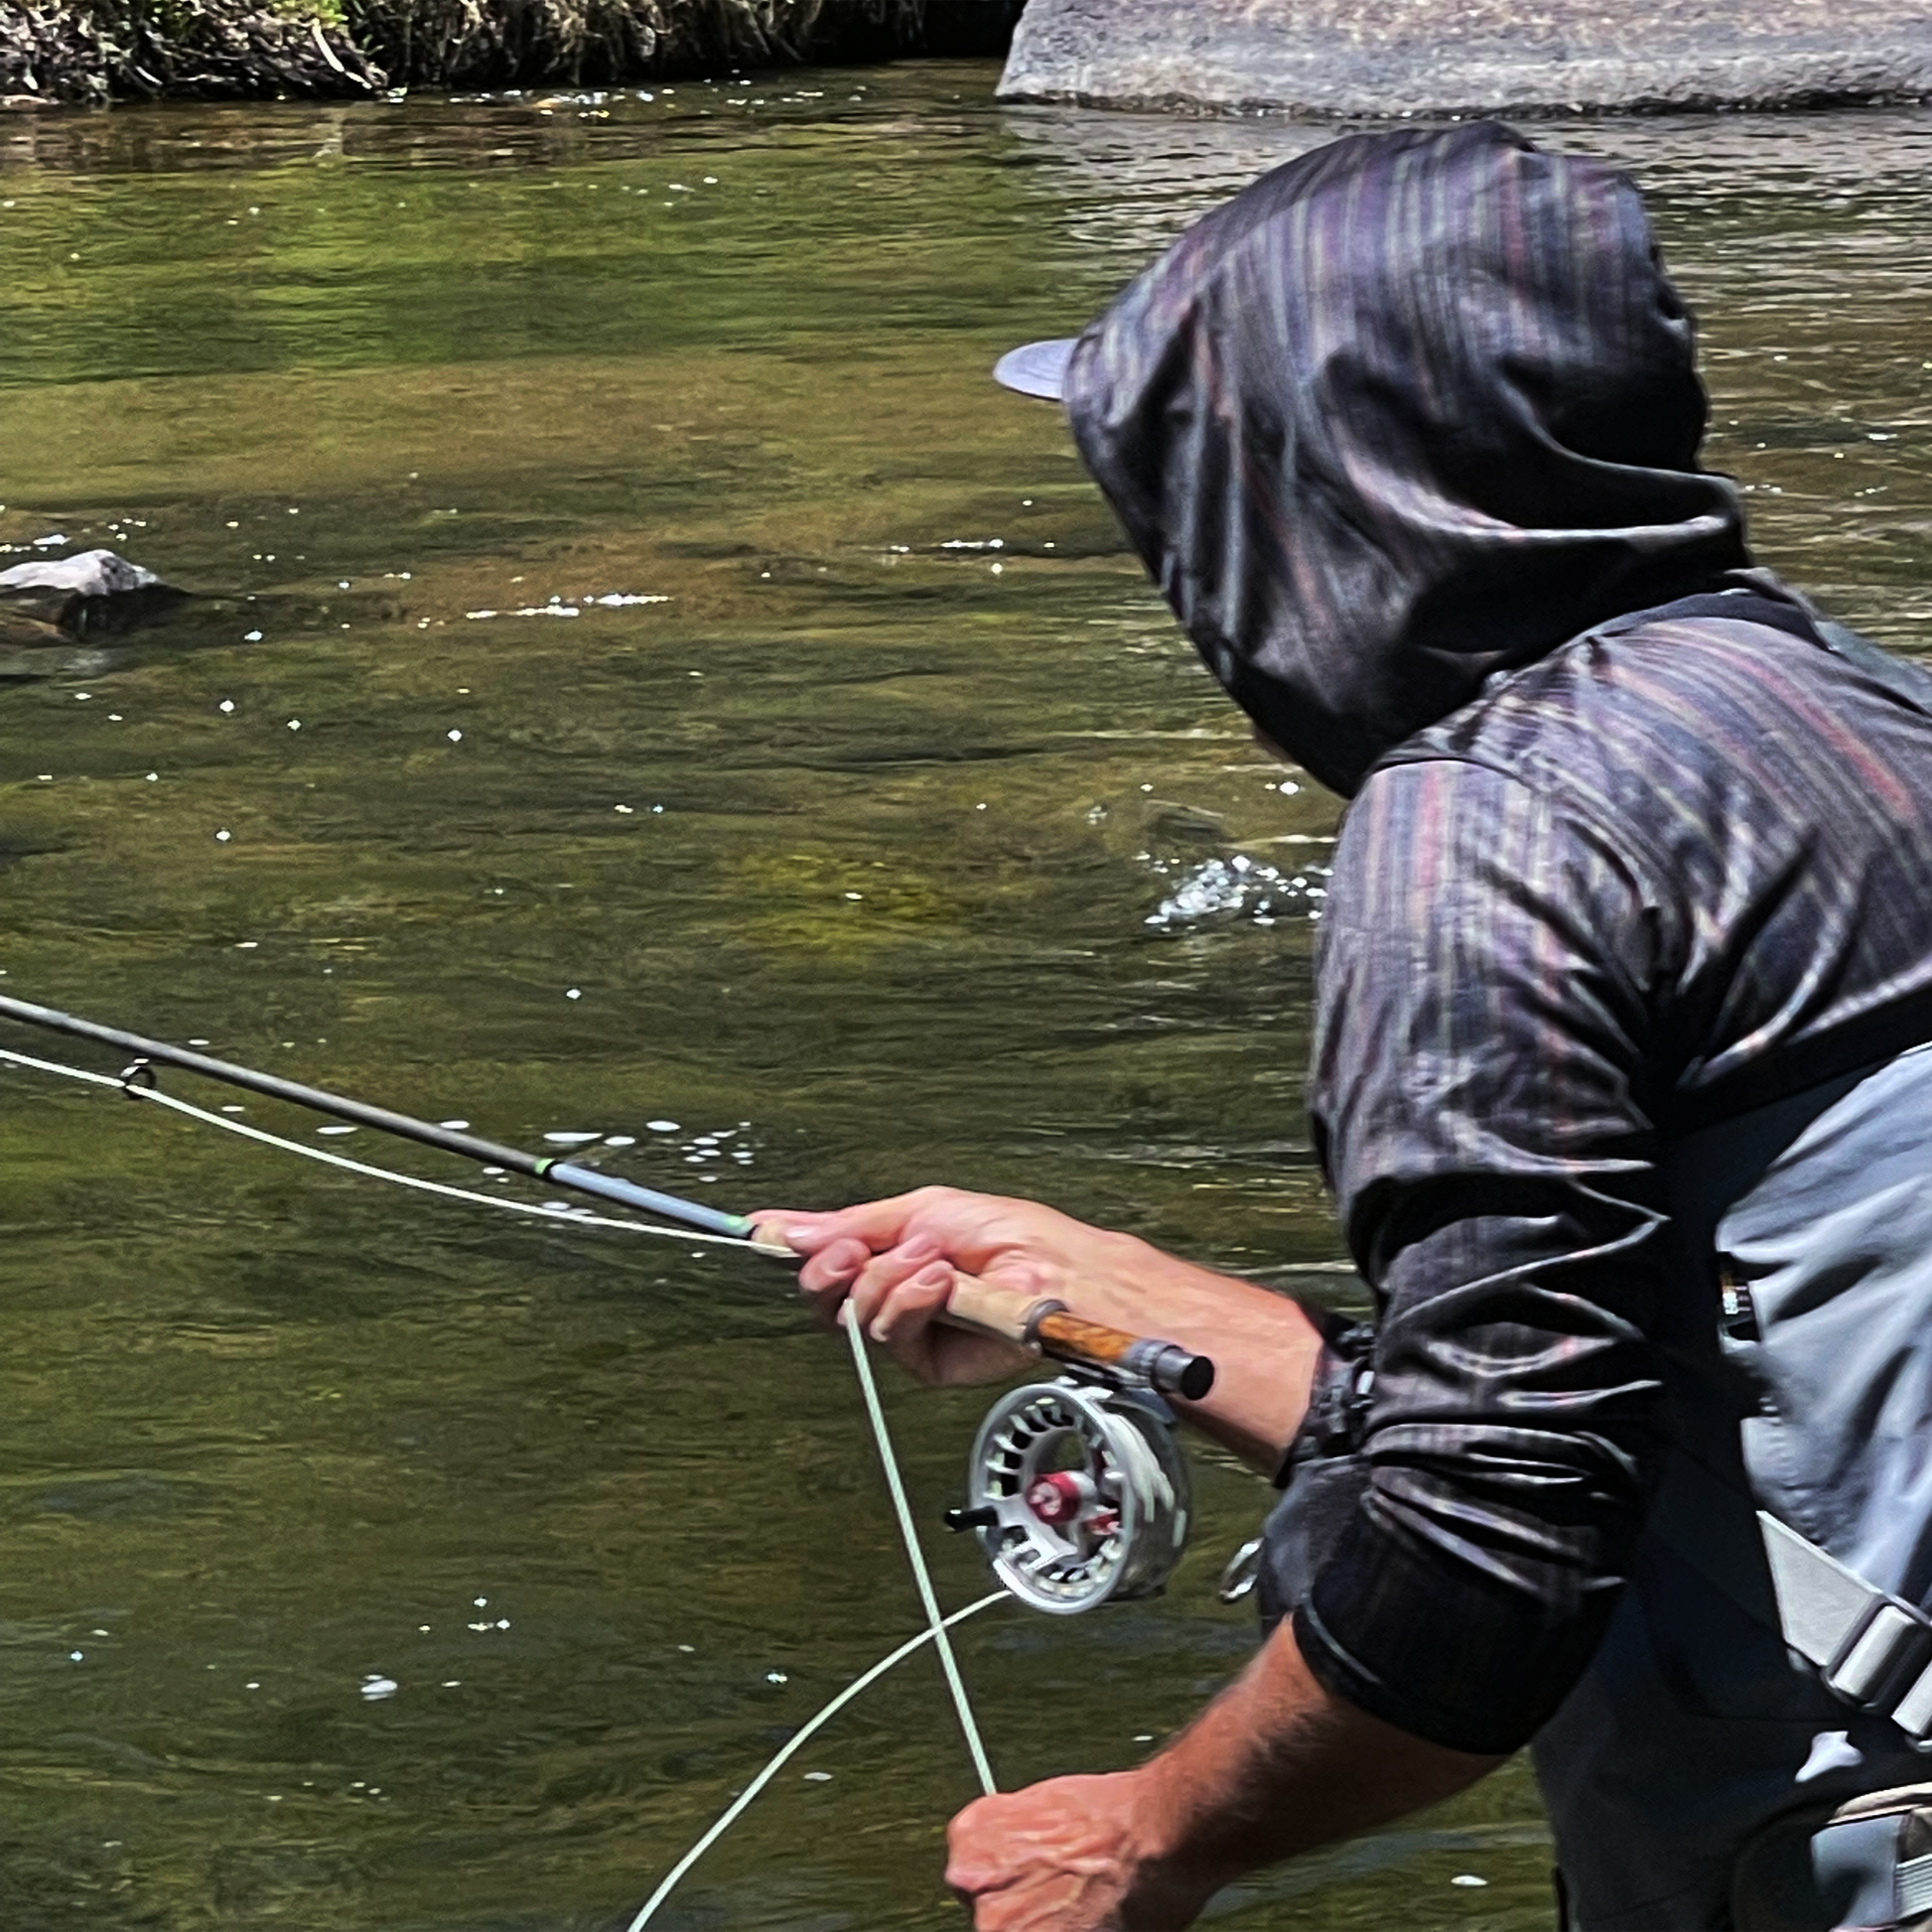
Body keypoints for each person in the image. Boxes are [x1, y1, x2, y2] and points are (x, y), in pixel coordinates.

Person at [761, 121, 1932, 1931]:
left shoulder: (1494, 831)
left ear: (1295, 491)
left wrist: (1148, 1833)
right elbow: (1673, 1423)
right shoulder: (1852, 708)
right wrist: (1127, 1299)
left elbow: (1494, 1544)